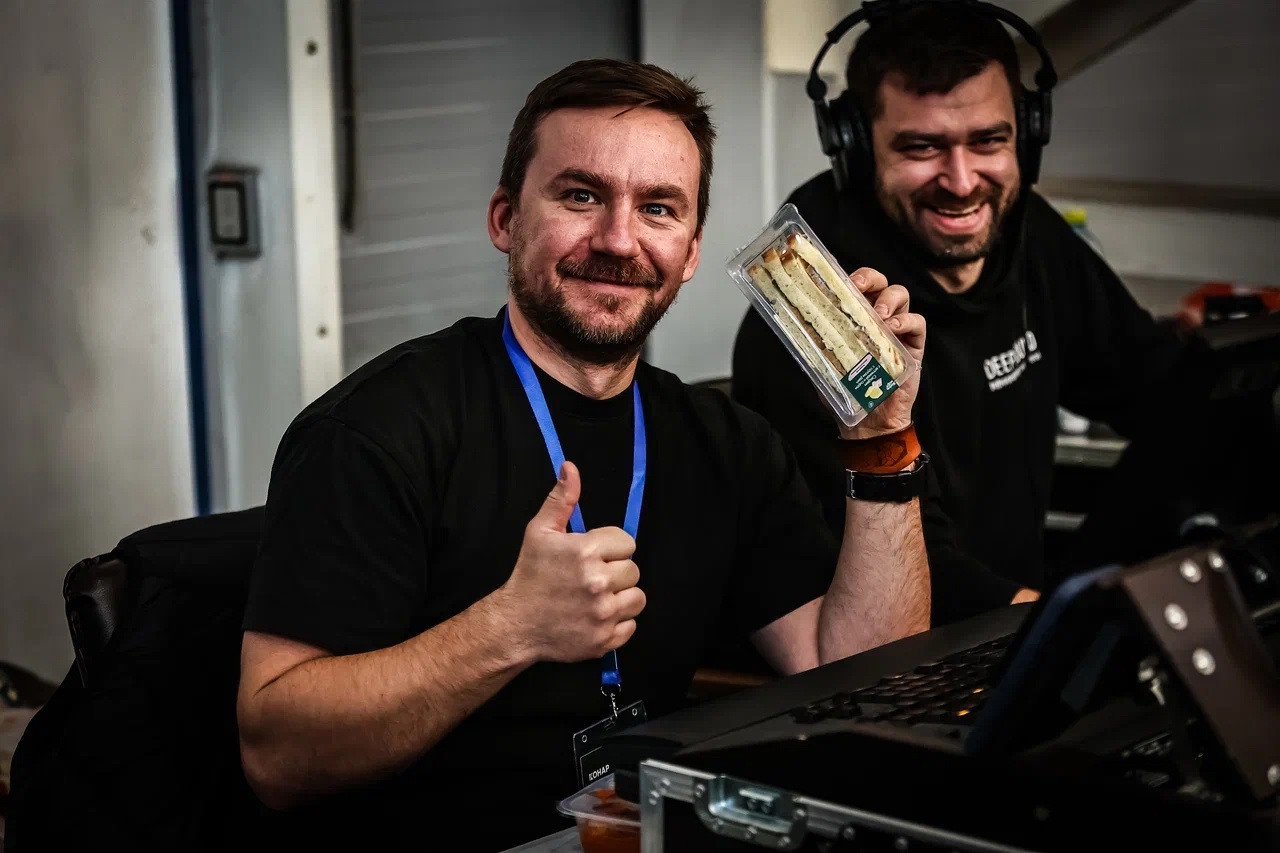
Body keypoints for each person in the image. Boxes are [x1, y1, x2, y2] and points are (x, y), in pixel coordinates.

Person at [235, 58, 930, 851]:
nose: (618, 240)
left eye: (658, 208)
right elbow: (276, 756)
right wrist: (510, 627)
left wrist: (883, 437)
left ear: (691, 250)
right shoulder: (377, 431)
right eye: (580, 195)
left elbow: (865, 681)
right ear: (506, 219)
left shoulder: (727, 444)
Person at [731, 3, 1193, 627]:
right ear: (856, 146)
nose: (962, 181)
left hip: (1021, 618)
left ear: (1027, 131)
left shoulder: (1026, 232)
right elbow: (907, 566)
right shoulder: (815, 296)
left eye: (988, 141)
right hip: (909, 650)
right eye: (922, 147)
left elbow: (1158, 389)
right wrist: (1076, 633)